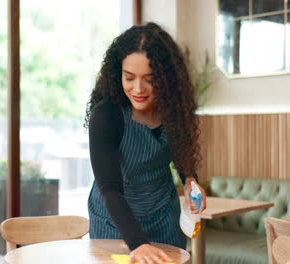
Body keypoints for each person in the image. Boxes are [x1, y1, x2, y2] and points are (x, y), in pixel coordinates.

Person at [85, 22, 206, 264]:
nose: (138, 89)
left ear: (165, 79)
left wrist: (190, 180)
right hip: (115, 222)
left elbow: (180, 151)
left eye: (150, 80)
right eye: (129, 78)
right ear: (117, 72)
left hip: (163, 218)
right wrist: (139, 244)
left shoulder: (174, 110)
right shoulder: (107, 115)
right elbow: (110, 189)